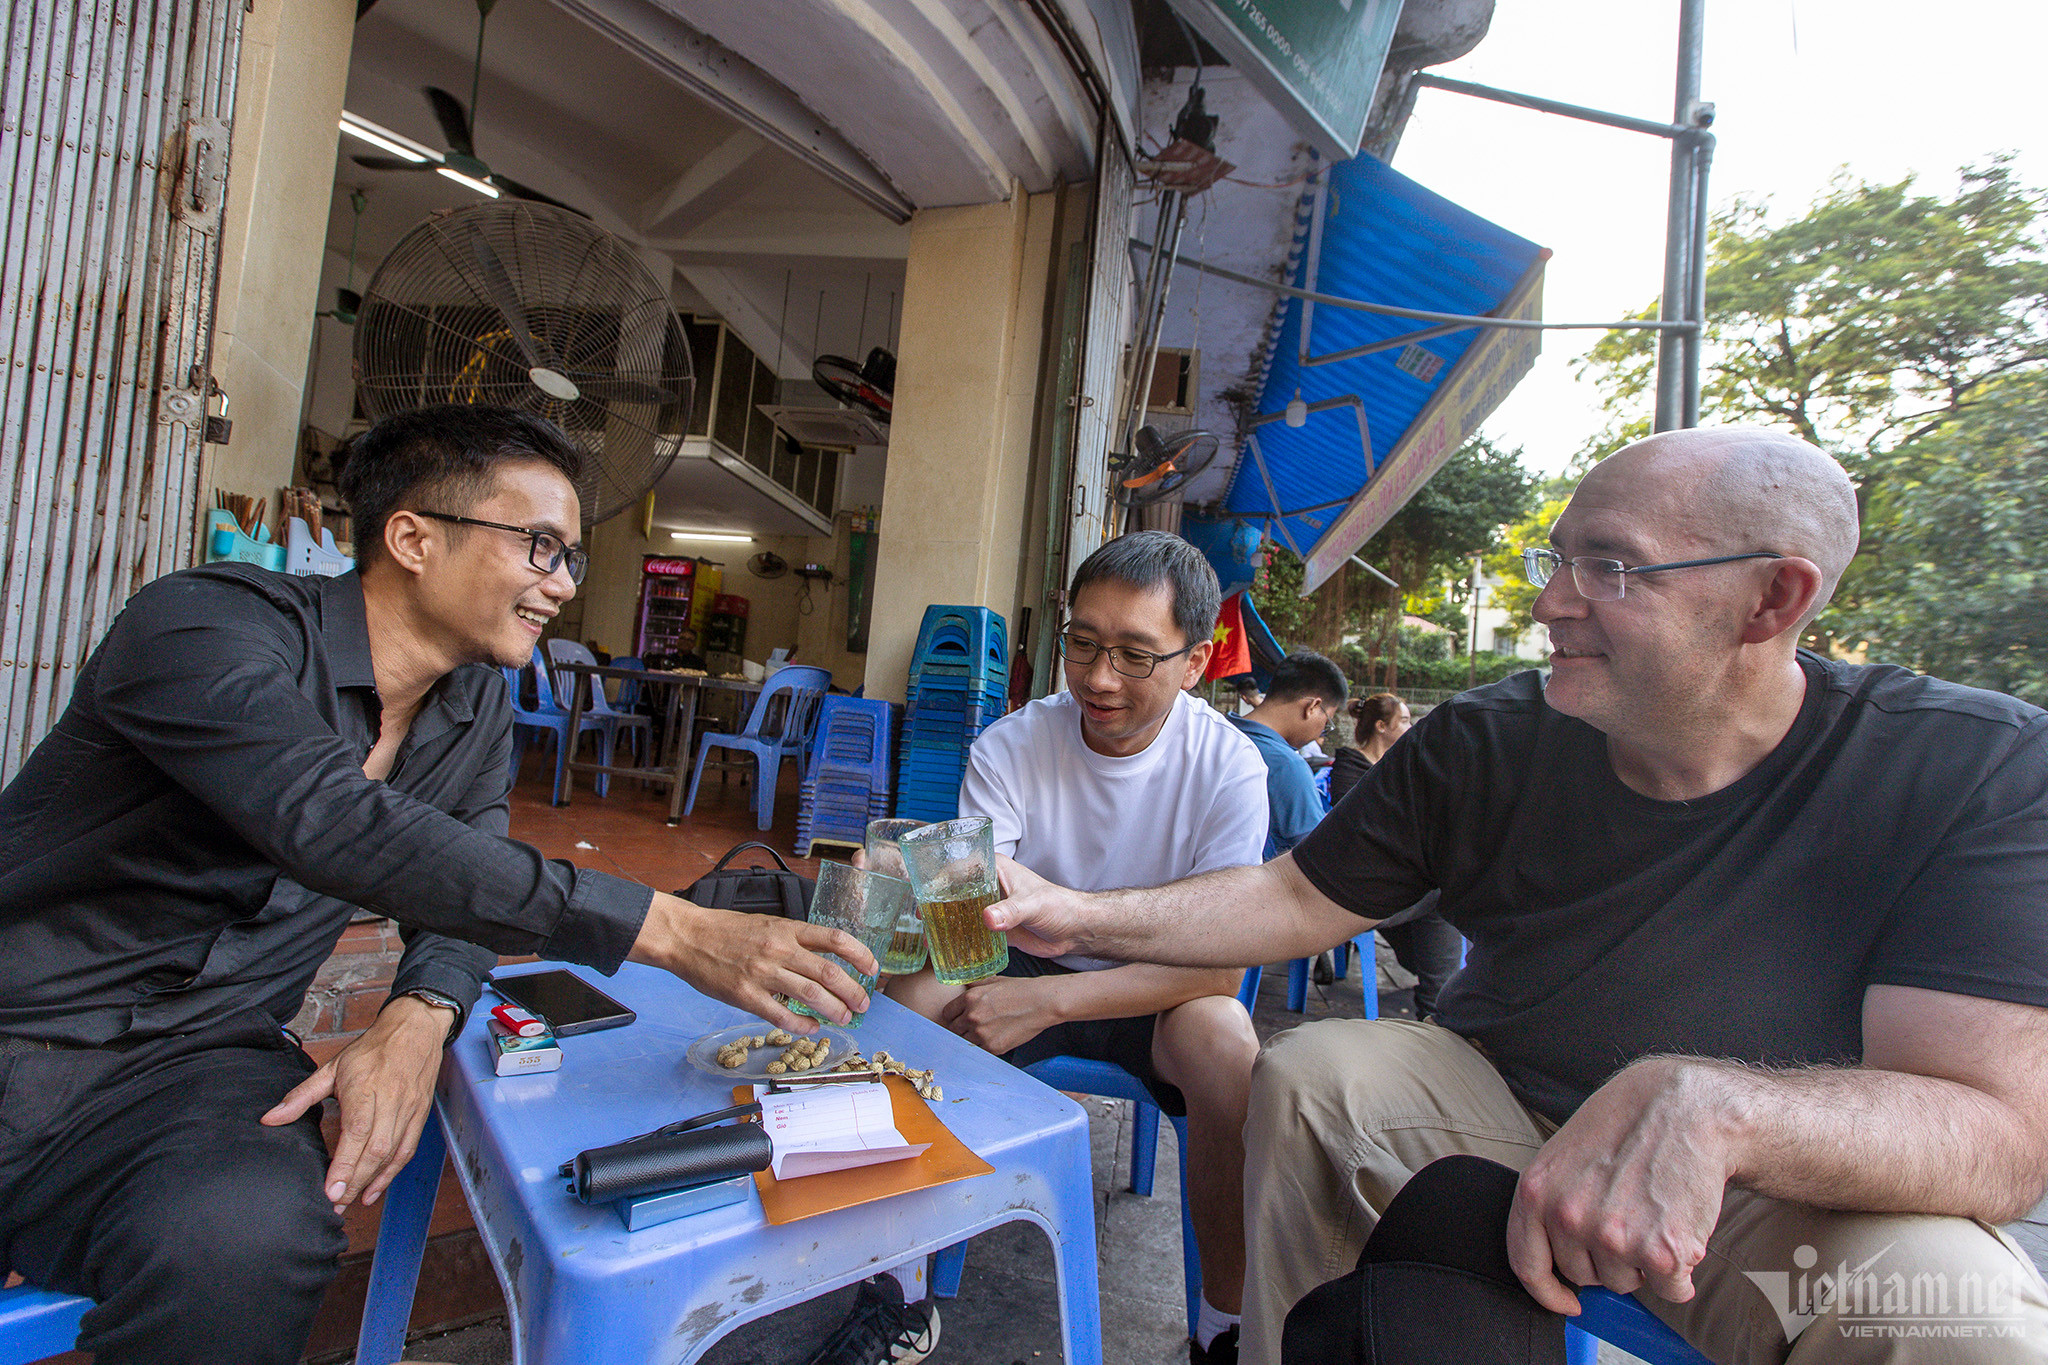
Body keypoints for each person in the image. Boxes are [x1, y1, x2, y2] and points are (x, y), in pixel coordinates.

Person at [986, 427, 2048, 1364]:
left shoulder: (1966, 770)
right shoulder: (1491, 739)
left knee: (1962, 1322)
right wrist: (1073, 912)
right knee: (1312, 1072)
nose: (1548, 603)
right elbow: (1293, 900)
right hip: (1487, 1125)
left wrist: (1722, 1110)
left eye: (1610, 569)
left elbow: (1998, 1141)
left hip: (1778, 1199)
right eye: (1557, 559)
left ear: (1772, 598)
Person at [0, 405, 874, 1365]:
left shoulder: (470, 715)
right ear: (412, 537)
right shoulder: (205, 626)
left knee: (252, 1242)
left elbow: (464, 886)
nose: (559, 585)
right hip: (19, 1015)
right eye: (540, 545)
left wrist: (419, 1011)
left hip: (197, 1074)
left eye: (571, 559)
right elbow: (329, 819)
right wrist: (668, 928)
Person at [810, 532, 1268, 1365]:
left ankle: (1222, 1324)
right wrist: (905, 899)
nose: (1098, 677)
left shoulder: (1229, 768)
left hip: (1156, 993)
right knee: (911, 1004)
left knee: (1228, 1045)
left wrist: (1054, 998)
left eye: (1135, 655)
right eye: (1083, 644)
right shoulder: (1015, 742)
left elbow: (1219, 963)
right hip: (1017, 963)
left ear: (1196, 660)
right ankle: (899, 1289)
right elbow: (970, 907)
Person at [1327, 693, 1462, 1020]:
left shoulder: (1397, 765)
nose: (1410, 727)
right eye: (1403, 721)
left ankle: (1439, 997)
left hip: (1389, 876)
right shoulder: (1352, 768)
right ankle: (1438, 1008)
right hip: (1359, 885)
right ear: (1381, 726)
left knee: (1438, 890)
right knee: (1444, 895)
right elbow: (1364, 831)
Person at [1228, 651, 1347, 860]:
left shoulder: (1214, 731)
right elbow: (1318, 857)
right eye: (1327, 723)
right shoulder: (1287, 766)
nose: (1322, 731)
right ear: (1312, 707)